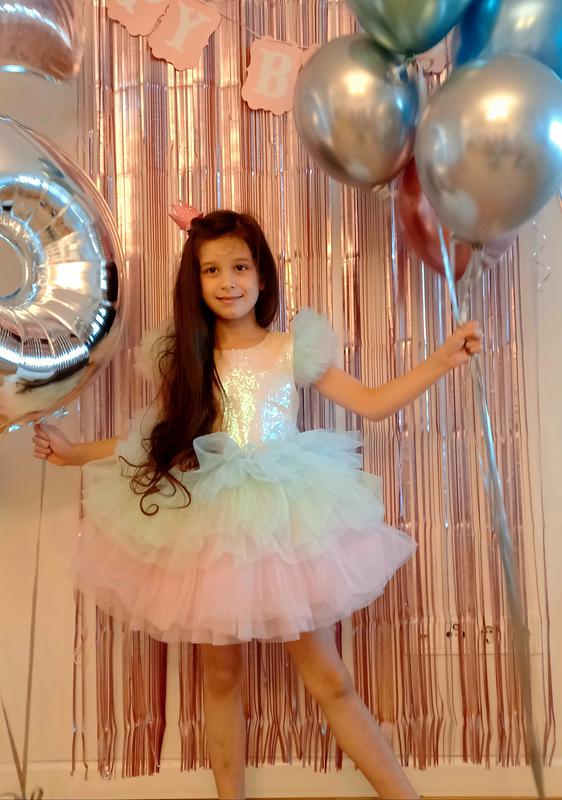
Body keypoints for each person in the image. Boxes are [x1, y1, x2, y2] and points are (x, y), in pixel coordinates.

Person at [33, 210, 482, 800]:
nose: (228, 282)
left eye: (240, 267)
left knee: (329, 679)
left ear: (263, 276)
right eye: (211, 270)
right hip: (210, 524)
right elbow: (151, 440)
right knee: (220, 678)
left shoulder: (291, 349)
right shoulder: (187, 359)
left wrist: (440, 361)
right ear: (194, 282)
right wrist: (74, 455)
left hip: (282, 518)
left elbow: (371, 403)